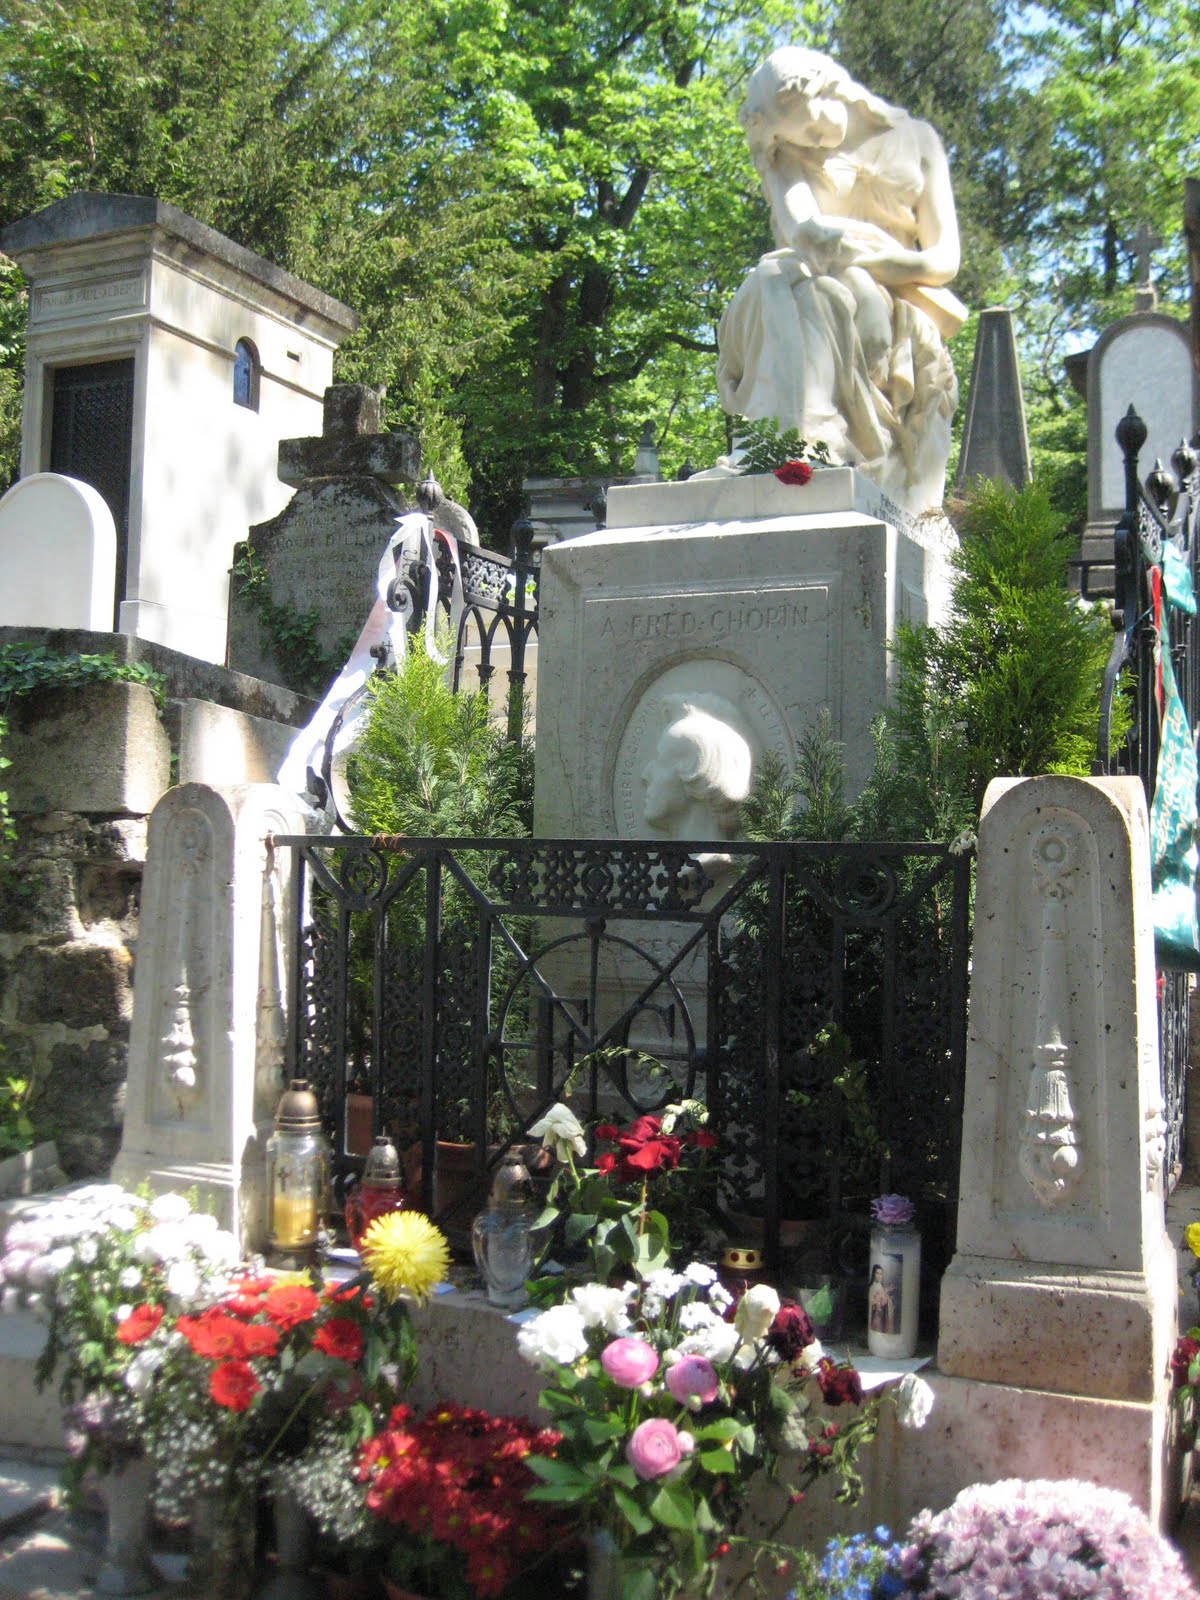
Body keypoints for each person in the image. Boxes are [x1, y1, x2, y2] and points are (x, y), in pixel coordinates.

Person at [717, 47, 966, 513]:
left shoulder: (918, 141)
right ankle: (799, 444)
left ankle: (797, 447)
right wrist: (840, 246)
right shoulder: (785, 150)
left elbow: (944, 260)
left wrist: (880, 260)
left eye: (812, 128)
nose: (812, 144)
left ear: (828, 86)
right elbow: (803, 232)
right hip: (816, 278)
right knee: (782, 280)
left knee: (832, 289)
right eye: (800, 140)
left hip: (892, 296)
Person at [640, 694, 752, 841]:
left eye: (662, 761)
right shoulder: (680, 863)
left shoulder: (711, 864)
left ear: (698, 773)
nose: (645, 774)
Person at [868, 1262, 897, 1333]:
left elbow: (883, 1296)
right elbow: (871, 1301)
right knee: (877, 1329)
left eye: (881, 1274)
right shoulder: (872, 1286)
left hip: (882, 1315)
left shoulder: (880, 1285)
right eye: (877, 1273)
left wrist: (887, 1293)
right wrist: (877, 1304)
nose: (879, 1276)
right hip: (877, 1315)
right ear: (873, 1274)